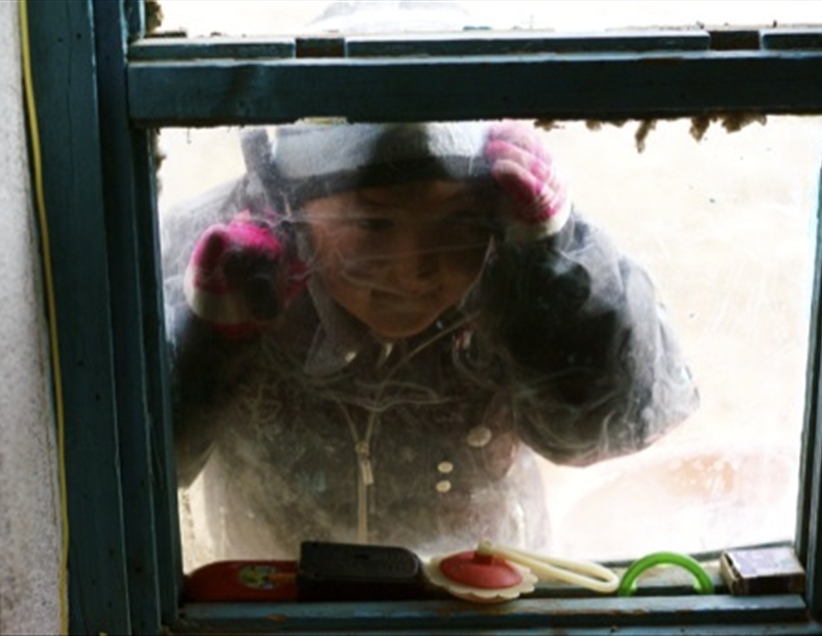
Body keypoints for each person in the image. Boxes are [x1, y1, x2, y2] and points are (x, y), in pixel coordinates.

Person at [162, 120, 699, 564]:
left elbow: (614, 427)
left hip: (482, 602)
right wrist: (208, 336)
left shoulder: (514, 251)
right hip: (277, 606)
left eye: (459, 221)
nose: (415, 270)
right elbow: (137, 474)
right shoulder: (219, 254)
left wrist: (551, 267)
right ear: (291, 205)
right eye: (374, 222)